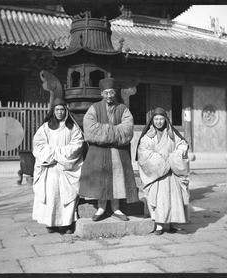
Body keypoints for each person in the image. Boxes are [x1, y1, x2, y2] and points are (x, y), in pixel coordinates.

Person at [79, 77, 139, 221]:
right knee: (101, 178)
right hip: (99, 152)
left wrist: (105, 131)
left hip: (118, 152)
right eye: (105, 93)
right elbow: (90, 128)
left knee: (117, 179)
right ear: (101, 94)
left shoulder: (123, 109)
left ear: (115, 93)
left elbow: (127, 129)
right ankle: (101, 208)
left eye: (111, 92)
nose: (109, 96)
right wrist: (113, 131)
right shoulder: (94, 108)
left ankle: (116, 208)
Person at [32, 98, 84, 234]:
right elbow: (38, 144)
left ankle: (67, 224)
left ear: (66, 110)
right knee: (52, 194)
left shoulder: (73, 127)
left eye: (62, 109)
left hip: (66, 167)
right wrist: (53, 155)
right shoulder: (45, 127)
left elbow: (77, 145)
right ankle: (52, 224)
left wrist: (58, 155)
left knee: (67, 196)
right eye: (57, 110)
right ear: (53, 111)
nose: (60, 112)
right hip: (50, 167)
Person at [136, 107, 190, 235]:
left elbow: (183, 146)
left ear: (166, 120)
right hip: (157, 175)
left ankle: (175, 224)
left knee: (175, 200)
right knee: (159, 199)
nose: (159, 121)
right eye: (156, 119)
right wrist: (162, 162)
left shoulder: (173, 134)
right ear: (152, 120)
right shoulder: (147, 137)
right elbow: (144, 153)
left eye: (161, 119)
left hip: (172, 173)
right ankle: (159, 225)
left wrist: (173, 158)